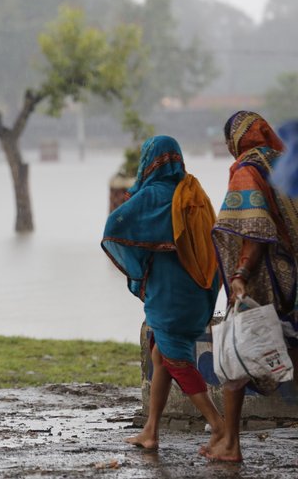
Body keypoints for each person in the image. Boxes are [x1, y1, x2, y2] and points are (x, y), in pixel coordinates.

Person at [102, 135, 223, 451]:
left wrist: (142, 251)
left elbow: (115, 225)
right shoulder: (193, 191)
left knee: (176, 359)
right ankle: (151, 430)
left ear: (149, 161)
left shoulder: (153, 195)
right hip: (196, 289)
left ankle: (220, 426)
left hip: (169, 293)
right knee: (160, 354)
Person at [207, 111, 298, 462]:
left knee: (237, 353)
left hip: (274, 276)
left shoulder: (247, 170)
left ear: (235, 140)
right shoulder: (287, 161)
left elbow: (254, 231)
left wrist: (240, 276)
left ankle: (230, 443)